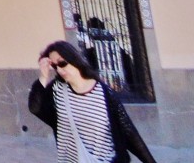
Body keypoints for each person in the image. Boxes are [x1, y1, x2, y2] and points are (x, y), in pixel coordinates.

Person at [28, 40, 157, 163]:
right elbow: (35, 108)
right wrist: (44, 76)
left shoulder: (103, 92)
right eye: (55, 66)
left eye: (62, 63)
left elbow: (128, 131)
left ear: (74, 59)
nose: (60, 70)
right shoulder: (57, 90)